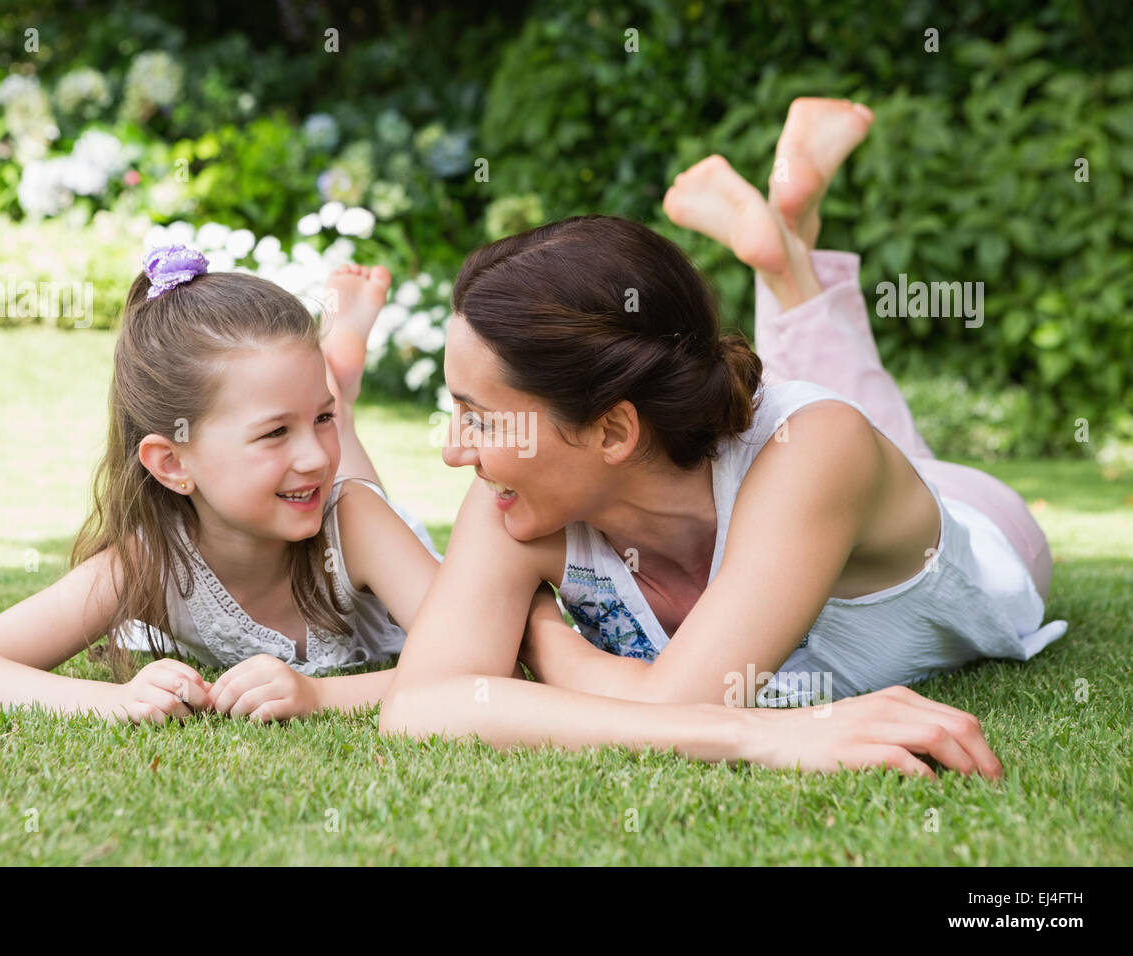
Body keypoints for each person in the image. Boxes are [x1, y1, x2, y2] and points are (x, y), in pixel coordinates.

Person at [377, 98, 1063, 778]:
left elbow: (676, 706)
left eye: (484, 418)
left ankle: (788, 255)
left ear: (613, 429)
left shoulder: (819, 450)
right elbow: (421, 707)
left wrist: (544, 639)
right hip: (797, 471)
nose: (453, 449)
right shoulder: (518, 497)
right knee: (825, 412)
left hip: (980, 520)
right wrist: (766, 737)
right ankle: (788, 237)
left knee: (854, 421)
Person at [0, 247, 445, 723]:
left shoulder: (356, 520)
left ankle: (339, 393)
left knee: (347, 481)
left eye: (318, 419)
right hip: (302, 505)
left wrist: (318, 696)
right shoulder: (151, 560)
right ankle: (334, 392)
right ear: (172, 463)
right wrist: (115, 700)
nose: (311, 453)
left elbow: (480, 663)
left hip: (361, 526)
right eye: (275, 431)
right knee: (324, 467)